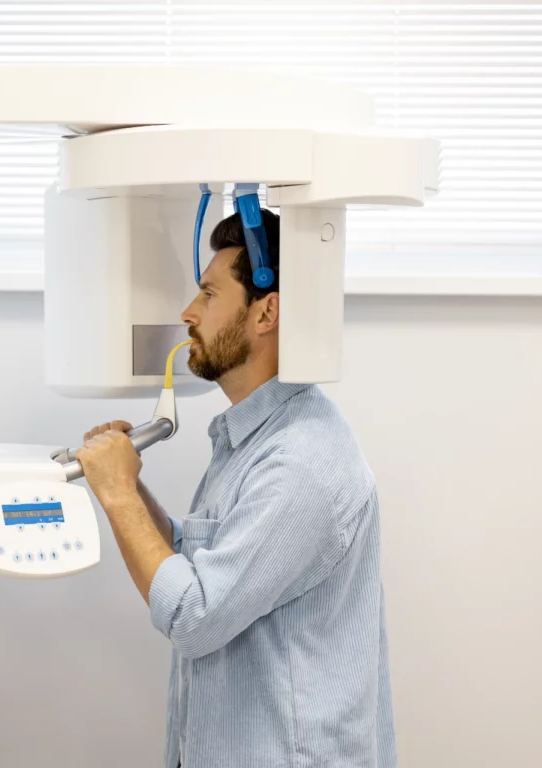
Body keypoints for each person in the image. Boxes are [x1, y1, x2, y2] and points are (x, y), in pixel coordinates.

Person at [76, 208, 396, 768]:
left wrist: (119, 493)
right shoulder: (252, 439)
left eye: (207, 294)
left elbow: (194, 615)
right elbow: (195, 563)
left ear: (265, 311)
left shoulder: (300, 462)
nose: (187, 312)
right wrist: (129, 484)